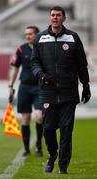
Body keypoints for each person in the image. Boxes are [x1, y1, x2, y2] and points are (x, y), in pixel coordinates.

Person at [31, 6, 91, 174]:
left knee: (66, 129)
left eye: (58, 15)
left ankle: (63, 167)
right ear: (50, 18)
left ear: (64, 18)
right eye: (52, 15)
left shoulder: (73, 37)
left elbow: (82, 64)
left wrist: (85, 86)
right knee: (48, 129)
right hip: (47, 92)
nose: (55, 18)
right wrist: (41, 75)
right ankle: (52, 155)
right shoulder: (40, 38)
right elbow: (34, 62)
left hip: (68, 92)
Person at [8, 26, 43, 157]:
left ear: (37, 35)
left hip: (40, 88)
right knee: (25, 119)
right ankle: (26, 149)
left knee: (40, 116)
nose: (28, 36)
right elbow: (15, 69)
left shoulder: (43, 48)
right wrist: (11, 86)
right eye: (26, 34)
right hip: (25, 87)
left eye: (30, 34)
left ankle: (39, 145)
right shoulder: (21, 49)